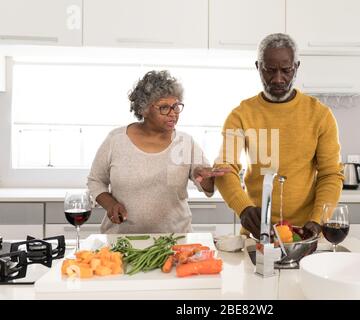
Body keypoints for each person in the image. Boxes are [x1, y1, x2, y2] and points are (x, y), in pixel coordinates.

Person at [214, 33, 344, 238]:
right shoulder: (240, 115)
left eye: (286, 70)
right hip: (256, 233)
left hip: (304, 233)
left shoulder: (320, 115)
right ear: (258, 66)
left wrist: (317, 220)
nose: (278, 79)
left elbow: (330, 174)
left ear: (296, 67)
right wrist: (244, 208)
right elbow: (224, 168)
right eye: (270, 70)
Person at [87, 70, 230, 234]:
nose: (173, 113)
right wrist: (111, 205)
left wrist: (204, 177)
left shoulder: (186, 143)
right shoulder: (116, 140)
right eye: (164, 108)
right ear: (144, 109)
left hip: (174, 241)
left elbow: (207, 188)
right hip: (122, 241)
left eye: (176, 106)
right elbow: (95, 181)